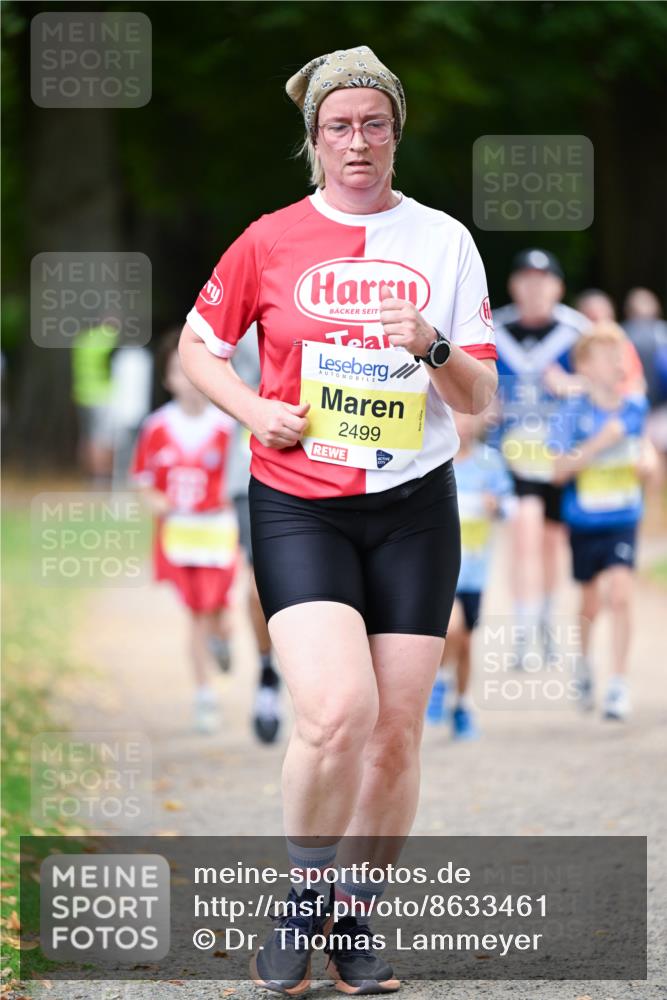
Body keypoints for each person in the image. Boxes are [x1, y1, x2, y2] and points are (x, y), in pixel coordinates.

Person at [179, 45, 497, 996]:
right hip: (298, 503)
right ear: (312, 139)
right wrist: (251, 410)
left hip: (412, 509)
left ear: (394, 131)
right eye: (336, 126)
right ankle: (300, 894)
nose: (355, 141)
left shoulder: (442, 241)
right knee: (335, 713)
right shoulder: (268, 238)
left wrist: (432, 343)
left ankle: (351, 913)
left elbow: (480, 393)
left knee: (396, 730)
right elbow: (201, 352)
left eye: (372, 123)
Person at [132, 331, 238, 734]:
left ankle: (223, 635)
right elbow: (143, 483)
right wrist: (165, 506)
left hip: (217, 535)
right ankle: (204, 696)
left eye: (193, 369)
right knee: (194, 615)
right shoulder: (156, 427)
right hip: (180, 536)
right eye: (178, 371)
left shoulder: (227, 427)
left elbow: (240, 482)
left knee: (218, 613)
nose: (188, 379)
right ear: (167, 379)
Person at [550, 322, 654, 721]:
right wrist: (599, 444)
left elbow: (642, 451)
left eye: (619, 355)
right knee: (591, 602)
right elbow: (558, 471)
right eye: (608, 355)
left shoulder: (635, 408)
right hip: (584, 522)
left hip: (624, 518)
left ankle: (618, 684)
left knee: (621, 592)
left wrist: (646, 460)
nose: (617, 362)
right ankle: (584, 662)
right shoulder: (571, 413)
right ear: (586, 366)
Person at [492, 249, 587, 667]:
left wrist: (572, 385)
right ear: (514, 285)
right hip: (511, 456)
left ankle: (546, 620)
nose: (534, 288)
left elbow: (607, 387)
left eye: (543, 279)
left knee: (551, 543)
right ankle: (523, 627)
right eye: (526, 279)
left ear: (558, 287)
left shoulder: (577, 332)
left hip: (558, 457)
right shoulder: (494, 329)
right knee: (524, 534)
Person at [426, 410, 514, 740]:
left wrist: (498, 506)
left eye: (468, 417)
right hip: (438, 568)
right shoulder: (434, 461)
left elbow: (510, 507)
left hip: (475, 570)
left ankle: (461, 704)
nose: (462, 424)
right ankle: (438, 683)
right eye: (455, 416)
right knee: (453, 626)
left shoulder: (490, 463)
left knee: (465, 643)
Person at [227, 323, 282, 743]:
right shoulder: (241, 306)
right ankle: (267, 673)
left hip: (332, 465)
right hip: (252, 468)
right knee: (259, 582)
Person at [71, 319, 118, 483]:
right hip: (101, 394)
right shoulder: (105, 338)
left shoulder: (82, 339)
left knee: (86, 436)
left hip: (82, 394)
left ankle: (88, 474)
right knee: (102, 437)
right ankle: (102, 476)